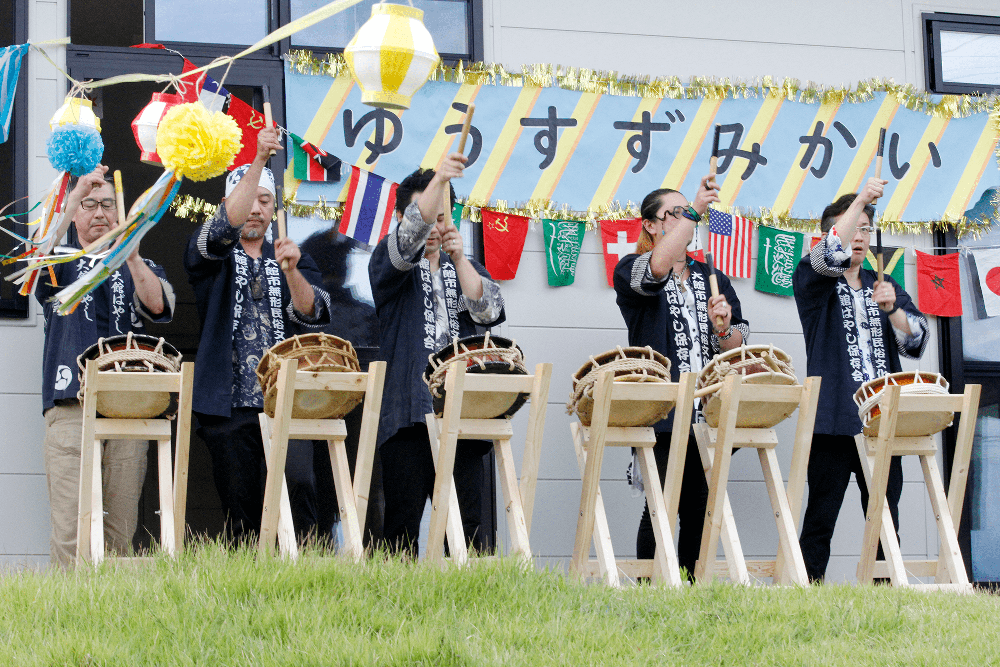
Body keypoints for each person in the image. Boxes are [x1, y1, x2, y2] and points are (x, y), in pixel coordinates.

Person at [184, 127, 334, 544]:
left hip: (289, 400)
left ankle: (304, 583)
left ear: (274, 209)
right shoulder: (209, 254)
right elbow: (218, 232)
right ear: (229, 205)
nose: (255, 209)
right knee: (241, 505)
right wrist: (260, 160)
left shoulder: (292, 254)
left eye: (264, 201)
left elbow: (317, 315)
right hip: (228, 404)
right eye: (248, 200)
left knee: (300, 491)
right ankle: (248, 592)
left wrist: (293, 273)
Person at [37, 165, 176, 568]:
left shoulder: (141, 264)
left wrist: (130, 252)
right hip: (69, 407)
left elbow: (158, 305)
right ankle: (65, 625)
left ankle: (107, 620)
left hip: (128, 407)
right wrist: (72, 193)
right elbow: (32, 266)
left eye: (108, 205)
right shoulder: (60, 260)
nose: (99, 213)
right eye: (89, 204)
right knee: (69, 529)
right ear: (75, 214)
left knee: (119, 529)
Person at [369, 154, 505, 557]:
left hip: (461, 414)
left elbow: (490, 312)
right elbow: (408, 238)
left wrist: (461, 258)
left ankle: (468, 606)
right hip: (406, 413)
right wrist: (439, 179)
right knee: (401, 525)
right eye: (426, 216)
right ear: (402, 218)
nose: (433, 226)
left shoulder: (464, 265)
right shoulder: (389, 262)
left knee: (466, 526)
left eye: (442, 217)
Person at [793, 177, 929, 583]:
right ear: (834, 233)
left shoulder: (882, 284)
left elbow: (916, 338)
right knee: (821, 514)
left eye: (866, 229)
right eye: (854, 229)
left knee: (886, 515)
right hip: (833, 420)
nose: (860, 237)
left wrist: (893, 311)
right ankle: (806, 590)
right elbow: (822, 258)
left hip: (882, 421)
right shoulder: (814, 282)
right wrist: (862, 201)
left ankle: (887, 596)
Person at [613, 174, 749, 578]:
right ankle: (648, 585)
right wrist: (696, 210)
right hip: (662, 411)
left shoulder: (711, 275)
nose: (684, 219)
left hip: (707, 410)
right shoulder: (632, 268)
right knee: (661, 503)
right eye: (673, 213)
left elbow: (738, 344)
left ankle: (689, 587)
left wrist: (723, 328)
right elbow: (656, 267)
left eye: (686, 213)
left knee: (698, 503)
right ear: (651, 225)